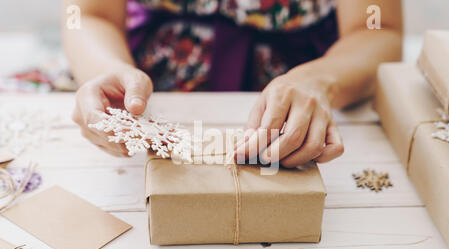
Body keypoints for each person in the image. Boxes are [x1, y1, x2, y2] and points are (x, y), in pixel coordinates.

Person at [63, 0, 402, 166]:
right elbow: (88, 14)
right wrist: (104, 70)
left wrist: (318, 81)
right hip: (145, 64)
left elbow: (377, 30)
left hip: (304, 77)